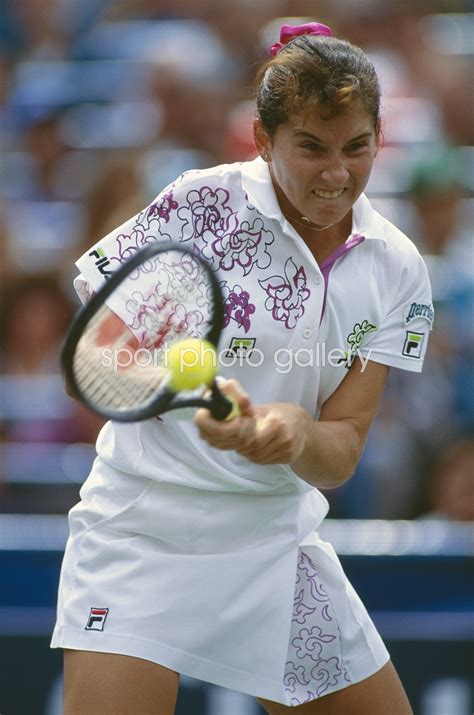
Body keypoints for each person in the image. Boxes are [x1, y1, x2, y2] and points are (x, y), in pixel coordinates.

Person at [51, 22, 433, 714]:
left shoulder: (398, 267)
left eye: (357, 146)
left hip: (274, 545)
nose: (337, 173)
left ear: (382, 136)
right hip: (144, 535)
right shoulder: (203, 204)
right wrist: (169, 378)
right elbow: (104, 352)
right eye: (311, 147)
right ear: (263, 139)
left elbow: (341, 447)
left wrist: (294, 432)